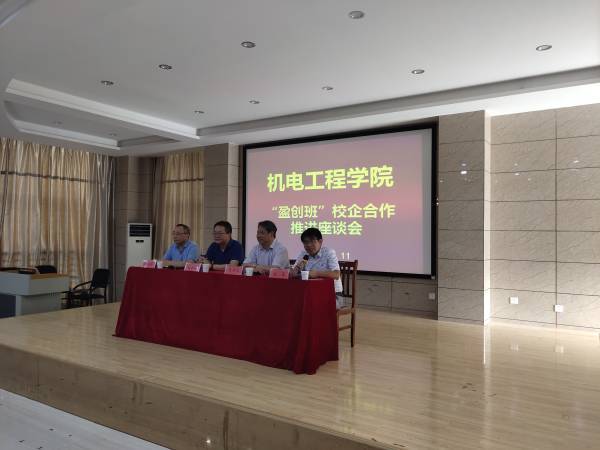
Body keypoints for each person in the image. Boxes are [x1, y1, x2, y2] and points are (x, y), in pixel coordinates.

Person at [291, 227, 344, 309]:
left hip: (333, 294)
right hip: (310, 293)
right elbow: (293, 272)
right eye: (305, 242)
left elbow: (336, 274)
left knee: (312, 305)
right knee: (293, 303)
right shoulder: (303, 254)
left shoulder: (329, 253)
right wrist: (296, 268)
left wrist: (316, 273)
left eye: (312, 241)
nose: (308, 245)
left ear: (320, 241)